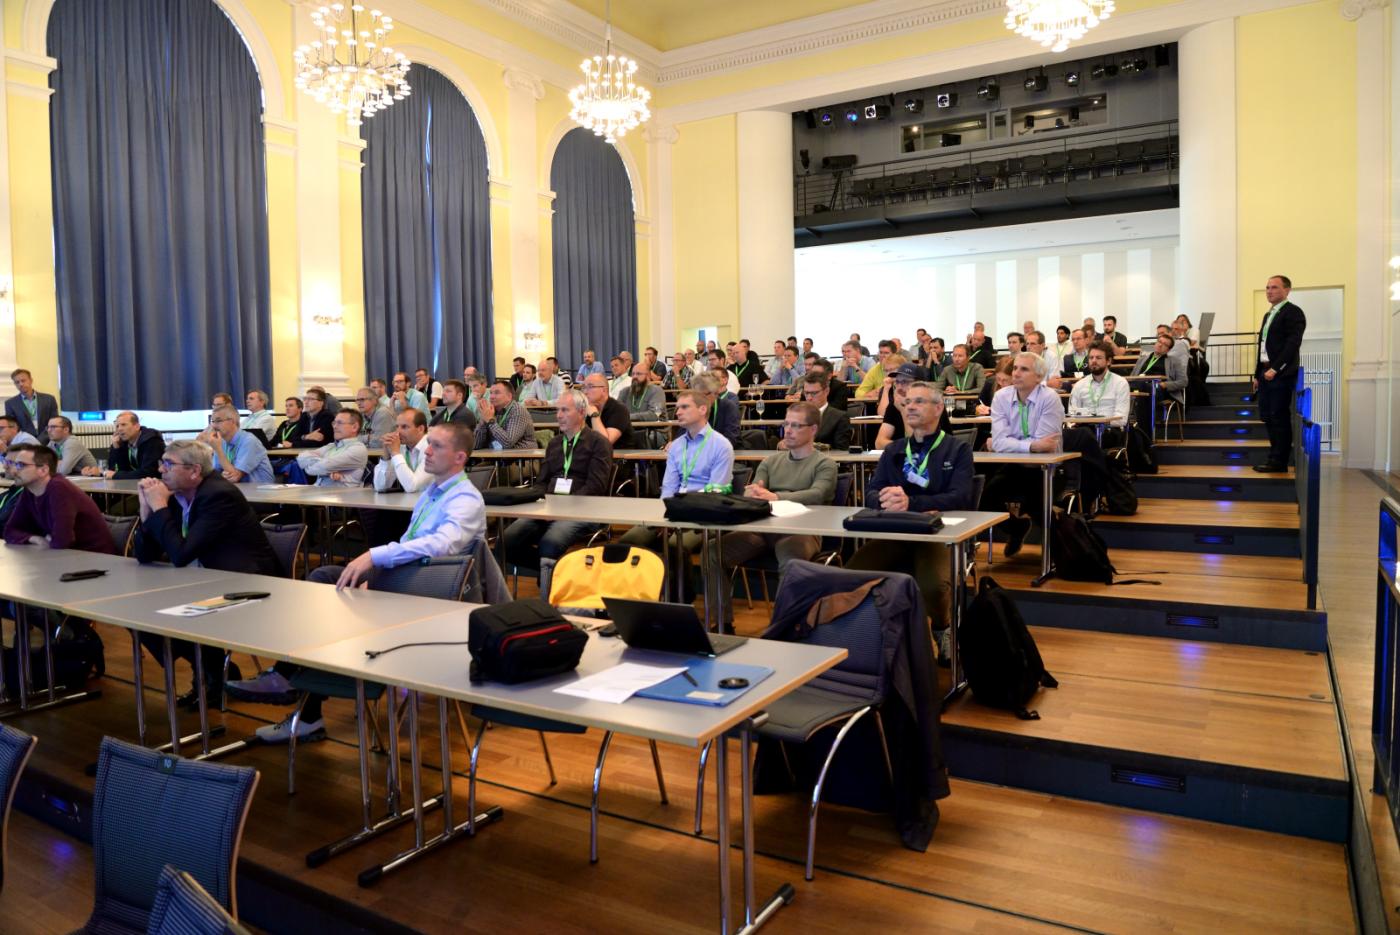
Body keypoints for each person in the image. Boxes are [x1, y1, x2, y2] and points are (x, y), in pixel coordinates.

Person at [229, 422, 487, 742]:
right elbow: (411, 540)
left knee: (333, 599)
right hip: (407, 583)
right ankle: (295, 690)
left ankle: (294, 689)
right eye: (428, 443)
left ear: (460, 457)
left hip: (432, 597)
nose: (426, 451)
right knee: (326, 581)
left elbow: (440, 547)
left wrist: (376, 563)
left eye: (436, 446)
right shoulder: (434, 491)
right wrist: (376, 574)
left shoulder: (465, 499)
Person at [132, 439, 279, 704]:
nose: (161, 470)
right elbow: (145, 555)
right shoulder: (175, 494)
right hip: (201, 577)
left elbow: (180, 554)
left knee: (174, 610)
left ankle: (211, 674)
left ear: (194, 471)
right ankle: (211, 670)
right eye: (161, 463)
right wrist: (146, 511)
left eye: (168, 464)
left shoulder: (217, 495)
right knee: (136, 611)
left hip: (245, 583)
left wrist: (160, 508)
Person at [849, 384, 973, 653]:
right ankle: (866, 638)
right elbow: (871, 492)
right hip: (894, 532)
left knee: (934, 586)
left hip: (937, 535)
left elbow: (961, 496)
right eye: (906, 403)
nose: (910, 407)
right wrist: (885, 500)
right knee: (850, 576)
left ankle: (942, 626)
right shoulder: (894, 450)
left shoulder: (957, 449)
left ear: (939, 408)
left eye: (919, 401)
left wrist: (912, 503)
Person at [502, 390, 613, 596]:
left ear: (581, 412)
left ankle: (550, 588)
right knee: (507, 539)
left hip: (583, 509)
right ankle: (558, 573)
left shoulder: (599, 443)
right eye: (557, 410)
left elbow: (596, 486)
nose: (558, 415)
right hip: (549, 508)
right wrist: (535, 503)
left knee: (550, 542)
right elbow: (542, 482)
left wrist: (564, 507)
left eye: (564, 410)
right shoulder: (554, 444)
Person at [721, 401, 838, 577]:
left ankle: (786, 606)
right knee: (713, 552)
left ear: (813, 430)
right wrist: (751, 493)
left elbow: (817, 494)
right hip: (763, 529)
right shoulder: (770, 462)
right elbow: (756, 490)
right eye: (786, 424)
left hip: (802, 531)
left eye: (796, 425)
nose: (788, 430)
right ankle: (717, 606)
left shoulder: (825, 464)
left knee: (791, 560)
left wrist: (775, 497)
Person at [985, 352, 1064, 557]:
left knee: (1035, 502)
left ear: (1038, 377)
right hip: (1014, 467)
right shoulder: (1001, 397)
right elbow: (1005, 442)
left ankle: (1062, 552)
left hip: (1046, 470)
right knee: (984, 497)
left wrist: (1008, 443)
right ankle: (1017, 528)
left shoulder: (1050, 398)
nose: (1016, 373)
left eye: (1024, 369)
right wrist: (1030, 446)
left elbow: (1045, 446)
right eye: (1015, 368)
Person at [3, 444, 114, 553]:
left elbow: (62, 541)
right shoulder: (30, 490)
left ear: (43, 470)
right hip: (66, 557)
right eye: (15, 465)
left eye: (21, 465)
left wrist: (45, 539)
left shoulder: (59, 488)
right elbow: (9, 531)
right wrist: (35, 538)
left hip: (94, 558)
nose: (13, 471)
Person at [1253, 275, 1306, 473]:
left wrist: (1275, 369)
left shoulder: (1293, 312)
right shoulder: (1269, 315)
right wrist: (1257, 374)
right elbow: (1262, 347)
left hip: (1280, 374)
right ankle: (1273, 458)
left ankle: (1279, 461)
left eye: (1274, 287)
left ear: (1287, 290)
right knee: (1267, 416)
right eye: (1267, 287)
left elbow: (1292, 344)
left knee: (1279, 417)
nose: (1269, 291)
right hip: (1265, 373)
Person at [198, 405, 274, 484]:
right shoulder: (222, 442)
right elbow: (214, 472)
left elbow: (234, 477)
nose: (214, 426)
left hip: (261, 491)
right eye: (213, 421)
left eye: (218, 421)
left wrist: (218, 449)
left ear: (232, 421)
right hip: (239, 489)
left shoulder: (249, 441)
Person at [296, 409, 368, 487]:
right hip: (319, 492)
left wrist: (316, 465)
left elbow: (322, 467)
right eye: (334, 423)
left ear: (354, 427)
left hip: (343, 496)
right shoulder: (331, 446)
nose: (334, 426)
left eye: (340, 423)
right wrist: (328, 468)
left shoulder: (358, 449)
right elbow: (301, 457)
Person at [82, 411, 165, 479]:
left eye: (123, 425)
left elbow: (148, 473)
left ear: (136, 426)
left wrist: (114, 475)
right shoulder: (123, 442)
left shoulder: (152, 441)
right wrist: (116, 448)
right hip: (134, 486)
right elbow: (117, 470)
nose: (119, 429)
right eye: (117, 426)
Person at [1068, 341, 1130, 429]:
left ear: (1108, 361)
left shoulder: (1120, 383)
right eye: (1091, 358)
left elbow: (1121, 419)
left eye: (1098, 358)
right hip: (1084, 431)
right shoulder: (1080, 385)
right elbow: (1072, 414)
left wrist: (1097, 424)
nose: (1093, 361)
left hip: (1110, 431)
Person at [784, 371, 853, 451]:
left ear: (826, 391)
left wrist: (808, 446)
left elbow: (841, 451)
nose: (809, 398)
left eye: (814, 393)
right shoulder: (796, 415)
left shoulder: (840, 417)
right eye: (806, 393)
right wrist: (781, 445)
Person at [1132, 332, 1189, 426]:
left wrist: (1165, 384)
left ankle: (1142, 427)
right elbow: (1133, 376)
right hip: (1139, 385)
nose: (1160, 345)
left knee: (1149, 390)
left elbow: (1183, 381)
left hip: (1159, 388)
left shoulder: (1174, 361)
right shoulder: (1142, 359)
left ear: (1168, 350)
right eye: (1159, 341)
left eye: (1165, 344)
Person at [374, 409, 431, 493]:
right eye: (397, 427)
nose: (398, 432)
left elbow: (412, 487)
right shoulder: (400, 447)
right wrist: (386, 457)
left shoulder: (432, 447)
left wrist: (396, 454)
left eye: (404, 427)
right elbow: (380, 486)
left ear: (420, 429)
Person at [475, 379, 536, 450]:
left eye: (497, 393)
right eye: (491, 393)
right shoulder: (490, 411)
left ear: (509, 396)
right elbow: (476, 445)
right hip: (496, 455)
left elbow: (508, 443)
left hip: (521, 456)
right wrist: (483, 419)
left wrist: (490, 421)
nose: (492, 397)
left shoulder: (518, 411)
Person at [6, 369, 58, 445]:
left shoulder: (49, 399)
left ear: (31, 380)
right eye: (17, 382)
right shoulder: (10, 403)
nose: (21, 384)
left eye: (23, 380)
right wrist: (29, 440)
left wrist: (40, 440)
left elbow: (54, 422)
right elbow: (13, 426)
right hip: (25, 443)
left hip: (48, 441)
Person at [582, 373, 634, 448]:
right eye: (584, 387)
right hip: (595, 456)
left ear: (604, 390)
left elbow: (604, 443)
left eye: (590, 387)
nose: (585, 392)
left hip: (620, 457)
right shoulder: (587, 408)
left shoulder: (619, 409)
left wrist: (594, 415)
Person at [692, 372, 740, 447]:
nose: (698, 399)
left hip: (722, 453)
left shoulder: (728, 407)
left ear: (715, 393)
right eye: (696, 395)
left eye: (703, 395)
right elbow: (683, 433)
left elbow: (731, 439)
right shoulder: (692, 408)